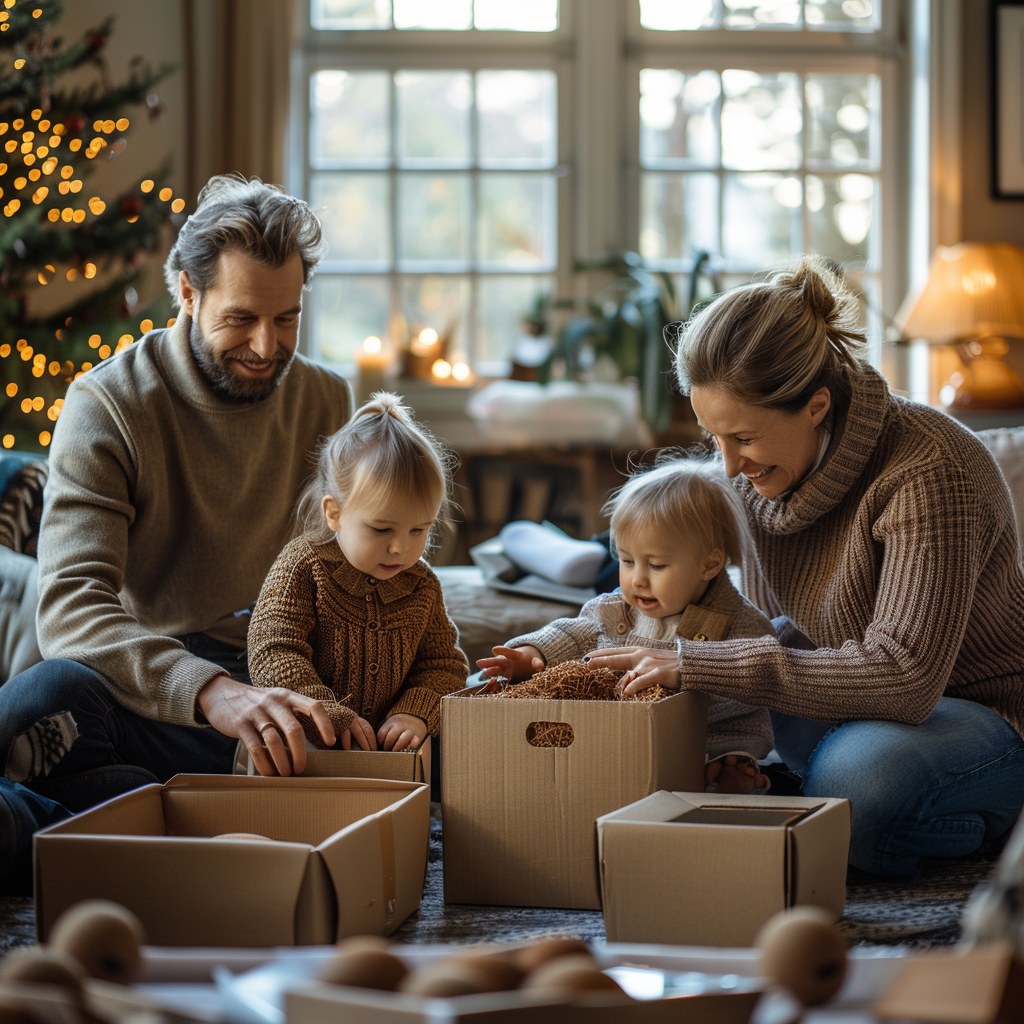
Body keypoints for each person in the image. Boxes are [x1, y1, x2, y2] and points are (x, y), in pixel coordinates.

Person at [585, 254, 1024, 875]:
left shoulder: (931, 471)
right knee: (657, 739)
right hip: (846, 699)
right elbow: (756, 630)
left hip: (974, 712)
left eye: (744, 438)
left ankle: (982, 821)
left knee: (861, 782)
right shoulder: (758, 474)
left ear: (816, 405)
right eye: (715, 439)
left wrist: (692, 663)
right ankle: (802, 801)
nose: (729, 467)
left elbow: (904, 678)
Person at [0, 175, 353, 891]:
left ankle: (91, 821)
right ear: (187, 295)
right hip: (150, 688)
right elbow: (70, 609)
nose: (266, 345)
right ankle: (172, 813)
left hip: (278, 683)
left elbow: (347, 575)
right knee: (40, 699)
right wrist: (212, 692)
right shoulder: (107, 405)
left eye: (287, 320)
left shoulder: (327, 397)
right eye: (241, 318)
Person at [476, 455, 775, 794]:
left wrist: (679, 696)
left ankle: (729, 772)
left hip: (710, 734)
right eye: (627, 561)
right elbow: (571, 633)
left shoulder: (742, 623)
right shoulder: (613, 610)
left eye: (657, 566)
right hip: (618, 735)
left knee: (728, 750)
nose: (638, 580)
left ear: (709, 565)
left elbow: (755, 681)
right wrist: (529, 652)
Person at [246, 393, 469, 770]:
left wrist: (414, 713)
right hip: (309, 738)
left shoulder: (422, 586)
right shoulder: (304, 565)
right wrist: (324, 710)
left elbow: (444, 664)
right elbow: (272, 649)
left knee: (441, 750)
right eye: (381, 528)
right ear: (334, 513)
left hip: (387, 749)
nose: (400, 547)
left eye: (419, 529)